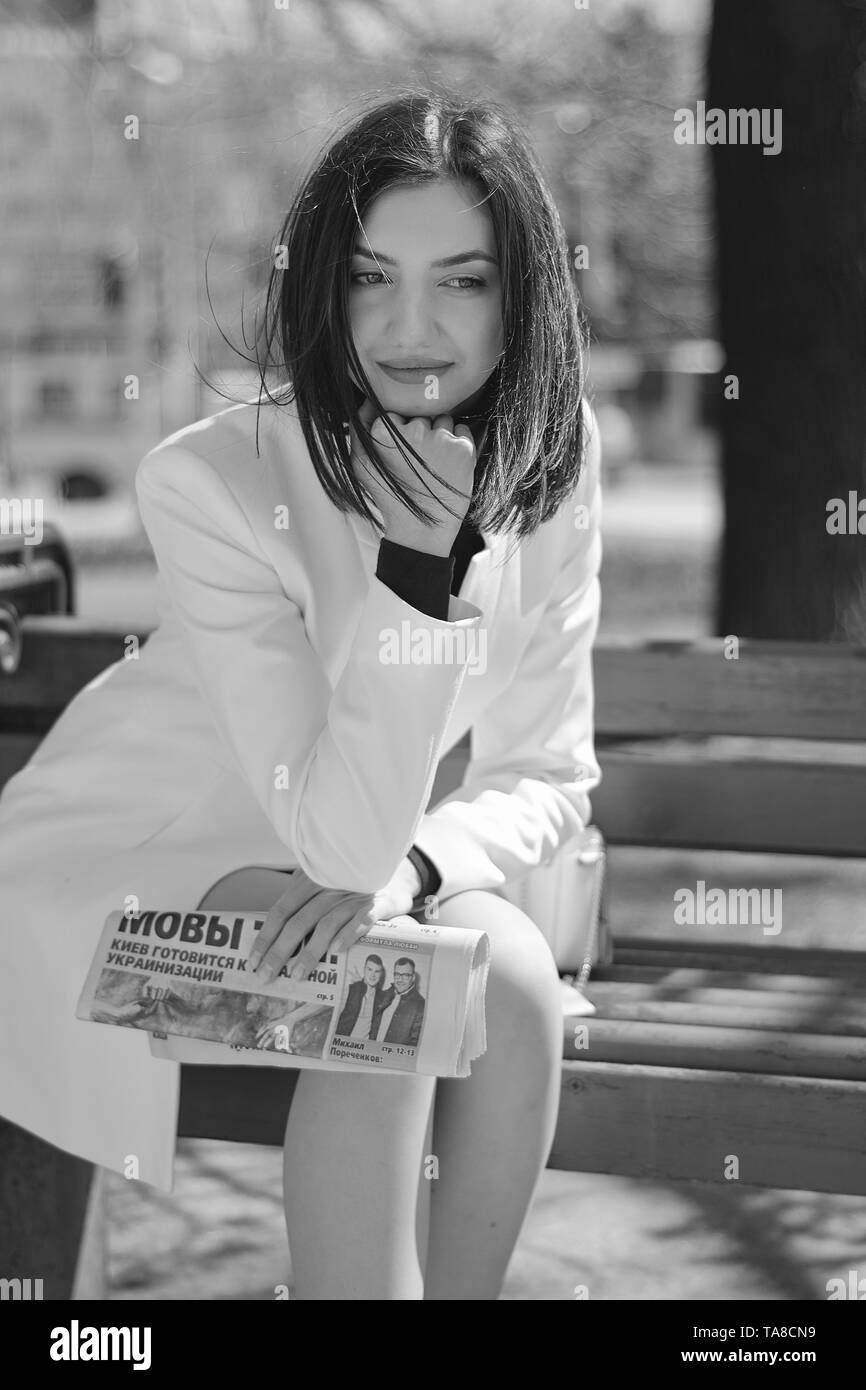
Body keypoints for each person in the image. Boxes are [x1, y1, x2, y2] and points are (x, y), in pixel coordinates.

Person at [0, 85, 602, 1300]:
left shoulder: (552, 459)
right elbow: (329, 833)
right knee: (390, 982)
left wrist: (415, 868)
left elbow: (545, 775)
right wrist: (416, 575)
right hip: (134, 865)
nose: (410, 326)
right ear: (324, 289)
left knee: (513, 973)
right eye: (371, 277)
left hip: (342, 876)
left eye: (463, 279)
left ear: (521, 294)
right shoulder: (212, 481)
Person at [370, 959, 426, 1048]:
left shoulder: (421, 1006)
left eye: (405, 975)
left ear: (413, 977)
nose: (400, 979)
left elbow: (414, 1044)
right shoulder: (385, 995)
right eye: (397, 974)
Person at [334, 954, 389, 1038]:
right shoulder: (350, 990)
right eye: (369, 969)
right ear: (364, 969)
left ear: (381, 974)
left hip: (363, 1047)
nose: (372, 975)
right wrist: (360, 984)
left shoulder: (382, 998)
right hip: (341, 1043)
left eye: (377, 971)